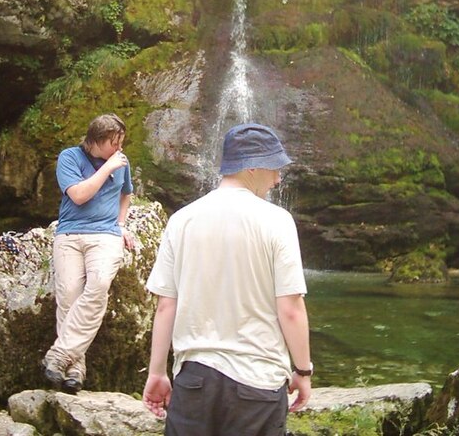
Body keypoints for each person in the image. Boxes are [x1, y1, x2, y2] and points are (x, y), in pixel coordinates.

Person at [143, 122, 312, 435]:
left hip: (193, 382)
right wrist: (303, 370)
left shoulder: (181, 220)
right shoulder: (277, 221)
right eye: (275, 167)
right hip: (257, 384)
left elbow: (166, 305)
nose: (278, 179)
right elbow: (290, 308)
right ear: (252, 167)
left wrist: (157, 372)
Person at [41, 113, 135, 394]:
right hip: (69, 234)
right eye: (113, 143)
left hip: (105, 235)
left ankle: (59, 356)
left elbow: (126, 194)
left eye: (121, 142)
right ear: (96, 141)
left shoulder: (121, 162)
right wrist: (107, 168)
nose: (119, 149)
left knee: (98, 285)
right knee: (69, 294)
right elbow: (79, 195)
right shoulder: (69, 158)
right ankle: (76, 368)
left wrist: (121, 224)